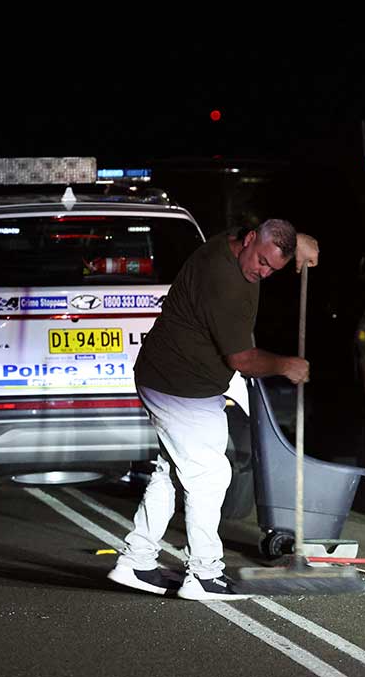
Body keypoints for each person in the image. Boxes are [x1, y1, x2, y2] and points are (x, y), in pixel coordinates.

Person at [109, 219, 319, 600]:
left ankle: (136, 561)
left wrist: (298, 239)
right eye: (261, 262)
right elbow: (243, 359)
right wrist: (287, 365)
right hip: (179, 386)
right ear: (250, 241)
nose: (263, 272)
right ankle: (204, 574)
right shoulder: (223, 281)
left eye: (273, 268)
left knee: (173, 472)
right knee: (209, 475)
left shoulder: (238, 241)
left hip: (178, 378)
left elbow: (268, 227)